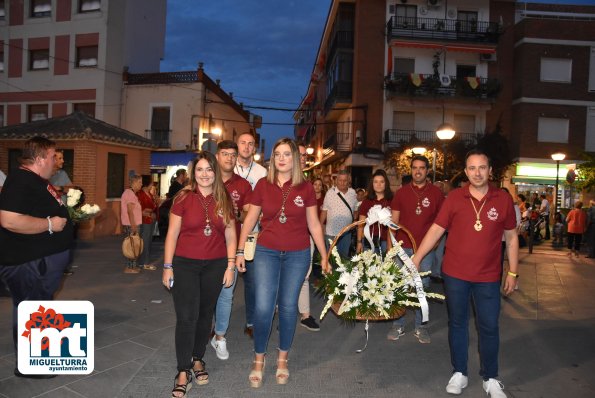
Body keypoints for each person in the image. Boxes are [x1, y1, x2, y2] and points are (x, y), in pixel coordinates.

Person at [412, 148, 519, 398]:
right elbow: (436, 230)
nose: (477, 173)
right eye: (472, 168)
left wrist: (513, 272)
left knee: (489, 326)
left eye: (482, 167)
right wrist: (416, 258)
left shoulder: (503, 200)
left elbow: (512, 239)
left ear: (490, 171)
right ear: (466, 171)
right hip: (456, 275)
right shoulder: (455, 198)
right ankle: (459, 372)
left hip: (489, 277)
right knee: (458, 324)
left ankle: (490, 377)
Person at [235, 138, 329, 388]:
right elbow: (249, 220)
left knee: (288, 307)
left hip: (298, 254)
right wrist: (240, 250)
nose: (282, 158)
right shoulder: (263, 186)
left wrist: (325, 255)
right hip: (266, 251)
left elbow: (314, 224)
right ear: (272, 159)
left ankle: (282, 359)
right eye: (277, 154)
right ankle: (258, 360)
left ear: (294, 159)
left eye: (287, 154)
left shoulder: (306, 188)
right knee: (264, 307)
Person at [162, 151, 236, 398]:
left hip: (215, 265)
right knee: (186, 317)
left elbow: (230, 233)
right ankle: (182, 370)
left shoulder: (223, 198)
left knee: (205, 315)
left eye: (209, 169)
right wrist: (167, 266)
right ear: (194, 173)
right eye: (200, 169)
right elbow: (172, 234)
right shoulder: (183, 197)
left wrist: (230, 264)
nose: (205, 174)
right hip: (184, 265)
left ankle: (197, 358)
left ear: (215, 172)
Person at [0, 137, 73, 379]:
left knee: (36, 308)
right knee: (31, 310)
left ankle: (37, 360)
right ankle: (31, 366)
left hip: (38, 259)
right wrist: (51, 224)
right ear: (40, 158)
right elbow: (9, 220)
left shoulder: (35, 181)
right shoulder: (20, 180)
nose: (56, 161)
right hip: (28, 262)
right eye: (53, 156)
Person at [387, 155, 444, 344]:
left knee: (423, 288)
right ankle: (399, 324)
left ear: (427, 171)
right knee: (401, 287)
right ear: (411, 170)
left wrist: (434, 245)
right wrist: (390, 248)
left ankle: (421, 326)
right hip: (402, 248)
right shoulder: (401, 193)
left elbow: (441, 223)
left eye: (421, 168)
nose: (418, 171)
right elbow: (393, 223)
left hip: (425, 250)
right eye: (414, 168)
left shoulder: (436, 193)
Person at [210, 140, 252, 360]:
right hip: (205, 248)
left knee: (226, 295)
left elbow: (249, 216)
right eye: (225, 154)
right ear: (217, 156)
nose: (229, 158)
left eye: (232, 155)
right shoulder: (206, 179)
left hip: (230, 248)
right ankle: (203, 331)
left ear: (236, 159)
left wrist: (237, 213)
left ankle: (219, 337)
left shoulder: (243, 186)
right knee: (205, 295)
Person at [234, 132, 268, 339]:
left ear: (254, 148)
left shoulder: (262, 172)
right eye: (243, 142)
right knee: (221, 281)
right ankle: (217, 325)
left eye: (250, 144)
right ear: (237, 145)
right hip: (227, 233)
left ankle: (251, 322)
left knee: (251, 281)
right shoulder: (228, 169)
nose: (246, 147)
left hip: (253, 234)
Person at [296, 143, 320, 332]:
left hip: (305, 237)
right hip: (284, 240)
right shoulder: (277, 181)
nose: (303, 158)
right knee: (284, 279)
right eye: (300, 154)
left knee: (304, 277)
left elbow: (314, 220)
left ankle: (305, 315)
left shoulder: (307, 184)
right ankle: (283, 313)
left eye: (305, 155)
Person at [320, 170, 357, 258]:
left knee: (344, 261)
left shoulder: (353, 193)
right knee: (331, 260)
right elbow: (324, 211)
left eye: (345, 180)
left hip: (346, 234)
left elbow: (355, 210)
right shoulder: (330, 193)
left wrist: (354, 220)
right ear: (336, 181)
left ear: (348, 181)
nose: (342, 183)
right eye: (340, 180)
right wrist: (321, 227)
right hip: (331, 234)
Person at [356, 169, 393, 254]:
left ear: (386, 184)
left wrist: (390, 245)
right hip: (369, 240)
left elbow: (394, 223)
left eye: (382, 182)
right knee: (369, 266)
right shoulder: (367, 201)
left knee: (386, 266)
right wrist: (359, 242)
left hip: (386, 241)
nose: (379, 185)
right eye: (376, 182)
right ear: (372, 184)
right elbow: (360, 223)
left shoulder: (392, 200)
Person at [120, 175, 143, 274]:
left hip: (132, 224)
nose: (141, 184)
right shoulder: (129, 194)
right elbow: (130, 211)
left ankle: (133, 266)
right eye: (140, 182)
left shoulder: (131, 193)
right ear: (134, 182)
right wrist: (133, 226)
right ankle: (129, 268)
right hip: (131, 225)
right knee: (131, 246)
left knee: (134, 245)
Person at [137, 175, 158, 271]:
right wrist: (148, 212)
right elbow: (139, 209)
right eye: (151, 182)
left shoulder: (149, 193)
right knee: (145, 241)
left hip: (151, 221)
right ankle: (144, 263)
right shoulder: (140, 194)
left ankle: (145, 261)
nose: (152, 184)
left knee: (149, 241)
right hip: (145, 221)